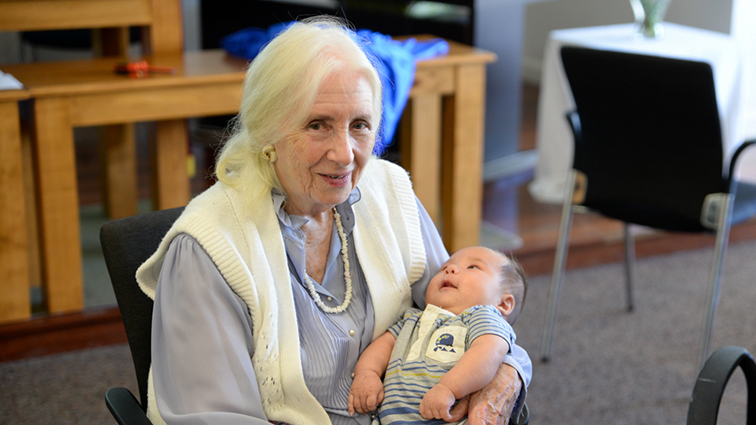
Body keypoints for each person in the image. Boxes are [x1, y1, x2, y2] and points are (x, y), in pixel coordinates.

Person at [135, 16, 531, 425]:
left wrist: (505, 375)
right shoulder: (210, 248)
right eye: (317, 125)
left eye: (359, 125)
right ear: (265, 130)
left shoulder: (388, 191)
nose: (345, 154)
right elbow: (214, 416)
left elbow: (469, 311)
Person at [348, 246, 528, 424]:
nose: (450, 269)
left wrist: (449, 388)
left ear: (503, 304)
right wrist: (367, 373)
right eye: (444, 267)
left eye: (473, 267)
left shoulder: (482, 317)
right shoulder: (413, 319)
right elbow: (384, 345)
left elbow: (488, 353)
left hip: (451, 416)